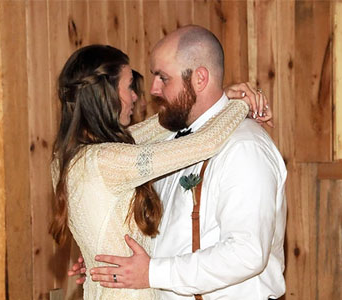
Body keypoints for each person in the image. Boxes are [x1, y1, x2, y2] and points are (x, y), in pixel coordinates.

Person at [89, 25, 287, 300]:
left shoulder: (244, 147)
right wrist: (108, 262)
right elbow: (166, 235)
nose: (154, 90)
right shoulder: (170, 142)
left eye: (163, 78)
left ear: (200, 79)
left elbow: (246, 252)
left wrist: (152, 273)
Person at [50, 44, 255, 300]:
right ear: (106, 95)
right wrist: (239, 105)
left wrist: (216, 99)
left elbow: (151, 130)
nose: (136, 96)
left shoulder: (66, 157)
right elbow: (206, 143)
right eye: (129, 87)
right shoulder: (106, 160)